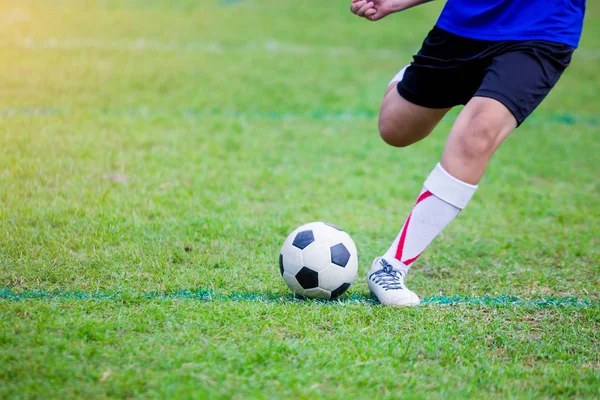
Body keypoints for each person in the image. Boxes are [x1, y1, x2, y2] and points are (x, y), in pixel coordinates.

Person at [349, 0, 586, 306]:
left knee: (479, 132)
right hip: (467, 22)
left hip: (542, 26)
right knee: (395, 128)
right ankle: (457, 78)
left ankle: (390, 266)